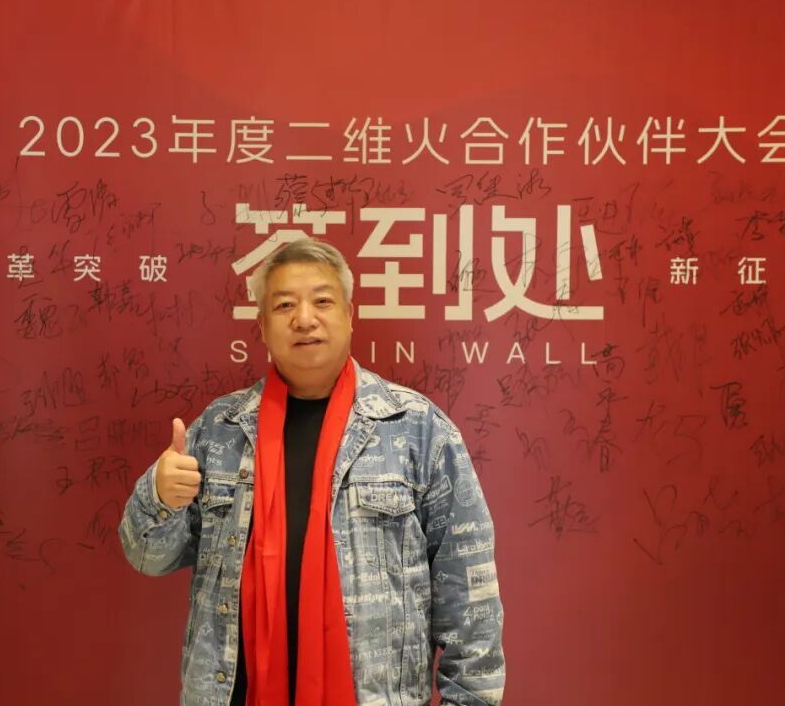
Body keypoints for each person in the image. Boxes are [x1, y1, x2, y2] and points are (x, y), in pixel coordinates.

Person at [120, 236, 505, 706]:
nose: (304, 319)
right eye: (284, 305)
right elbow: (148, 557)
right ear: (262, 326)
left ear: (349, 314)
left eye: (322, 301)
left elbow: (470, 595)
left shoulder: (417, 428)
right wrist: (160, 497)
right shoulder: (220, 430)